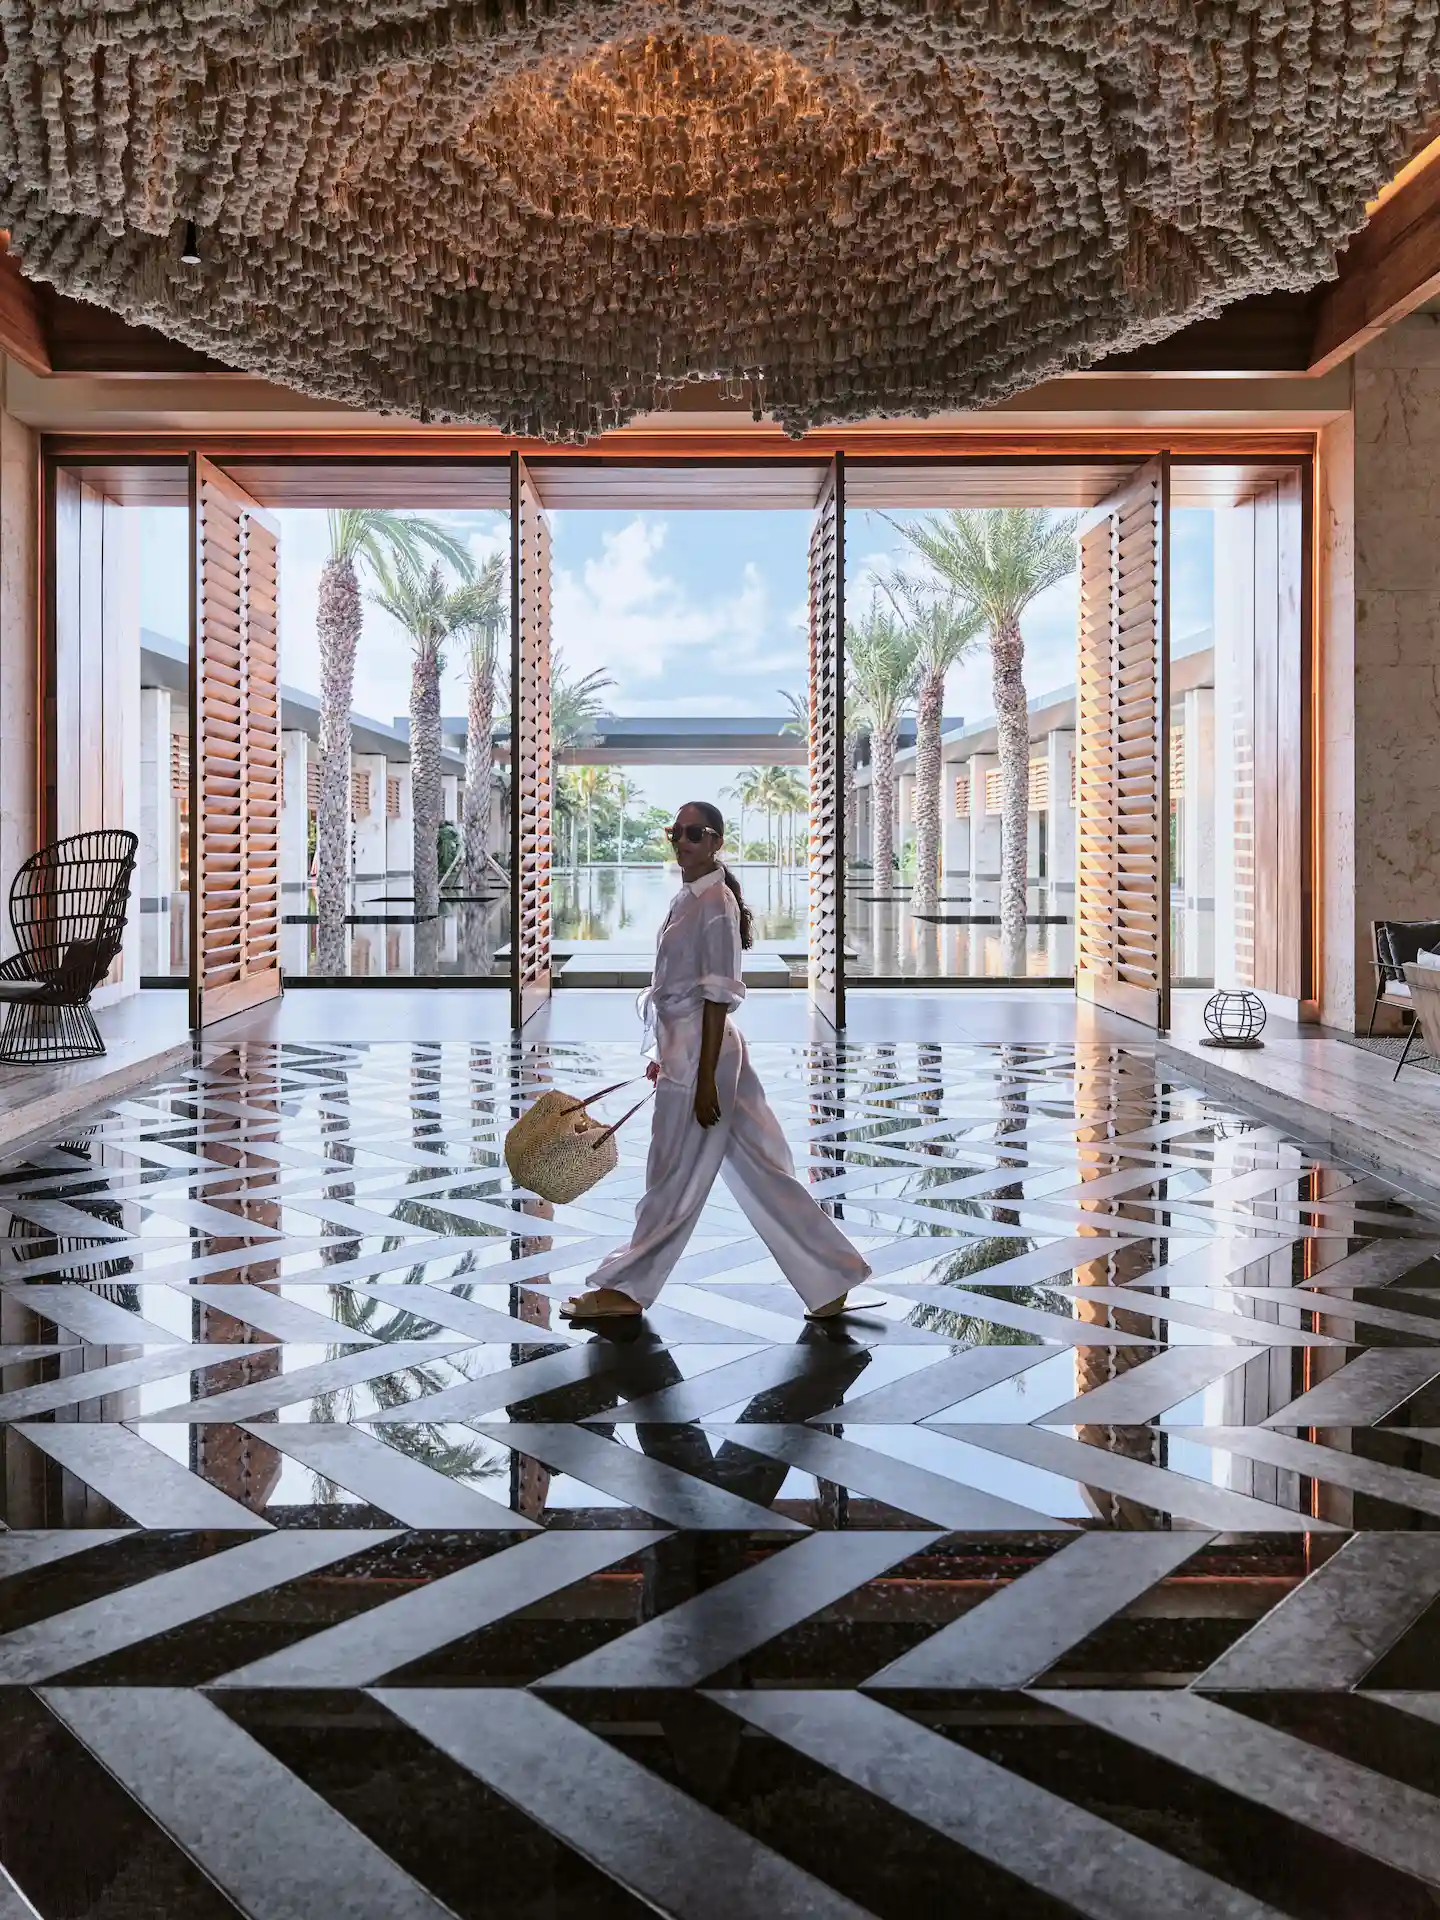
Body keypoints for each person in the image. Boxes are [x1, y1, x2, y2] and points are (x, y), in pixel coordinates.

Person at [561, 800, 872, 1321]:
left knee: (671, 1174)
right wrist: (667, 1055)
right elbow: (681, 993)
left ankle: (626, 1290)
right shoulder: (690, 898)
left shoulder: (717, 905)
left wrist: (703, 1078)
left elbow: (717, 996)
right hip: (692, 1053)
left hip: (705, 1060)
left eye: (694, 833)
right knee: (764, 1169)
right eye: (675, 832)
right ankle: (831, 1276)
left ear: (716, 842)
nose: (682, 841)